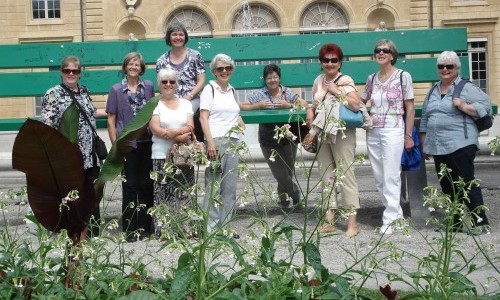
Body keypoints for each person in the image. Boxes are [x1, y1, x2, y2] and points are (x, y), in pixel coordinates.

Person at [420, 50, 491, 235]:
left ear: (456, 68)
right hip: (438, 146)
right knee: (447, 186)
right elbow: (426, 117)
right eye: (441, 66)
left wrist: (463, 106)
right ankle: (455, 223)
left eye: (449, 66)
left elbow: (485, 109)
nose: (445, 69)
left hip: (461, 143)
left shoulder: (467, 88)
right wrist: (425, 143)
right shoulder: (433, 89)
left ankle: (480, 222)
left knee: (466, 183)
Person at [41, 55, 107, 241]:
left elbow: (91, 112)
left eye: (75, 71)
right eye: (67, 71)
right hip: (69, 155)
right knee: (70, 195)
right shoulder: (52, 94)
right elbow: (47, 126)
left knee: (91, 194)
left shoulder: (83, 91)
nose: (71, 74)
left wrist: (113, 109)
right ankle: (70, 232)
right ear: (61, 73)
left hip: (90, 154)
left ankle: (91, 231)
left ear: (79, 73)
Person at [304, 43, 362, 237]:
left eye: (334, 60)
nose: (330, 64)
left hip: (342, 130)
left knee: (346, 173)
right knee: (326, 175)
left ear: (340, 62)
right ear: (321, 63)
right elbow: (315, 103)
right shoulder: (318, 80)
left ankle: (352, 222)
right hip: (324, 131)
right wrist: (310, 110)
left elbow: (355, 105)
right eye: (326, 60)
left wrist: (337, 91)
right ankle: (329, 219)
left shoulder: (345, 79)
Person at [360, 39, 415, 235]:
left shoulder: (403, 76)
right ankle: (395, 214)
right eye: (377, 50)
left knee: (391, 174)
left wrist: (408, 135)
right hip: (373, 130)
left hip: (394, 129)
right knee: (379, 176)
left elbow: (409, 108)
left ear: (392, 55)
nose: (381, 53)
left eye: (385, 50)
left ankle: (390, 219)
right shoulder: (371, 79)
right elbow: (361, 101)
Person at [240, 64, 307, 209]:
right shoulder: (260, 94)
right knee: (280, 174)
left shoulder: (286, 92)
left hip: (288, 137)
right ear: (265, 80)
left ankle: (283, 201)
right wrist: (257, 106)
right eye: (269, 78)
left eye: (275, 77)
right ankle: (296, 195)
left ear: (279, 78)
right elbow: (242, 106)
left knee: (288, 171)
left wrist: (288, 105)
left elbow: (304, 104)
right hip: (267, 138)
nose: (272, 80)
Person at [106, 52, 155, 242]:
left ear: (141, 68)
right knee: (129, 186)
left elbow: (151, 113)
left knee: (145, 184)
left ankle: (145, 226)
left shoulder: (149, 86)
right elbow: (111, 118)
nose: (134, 67)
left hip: (146, 142)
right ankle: (129, 228)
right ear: (125, 67)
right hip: (127, 144)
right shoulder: (116, 89)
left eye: (137, 64)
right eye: (130, 64)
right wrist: (115, 145)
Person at [199, 53, 245, 238]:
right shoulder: (209, 89)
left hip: (233, 141)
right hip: (216, 140)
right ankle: (210, 228)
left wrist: (240, 121)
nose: (224, 71)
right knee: (213, 185)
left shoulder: (232, 90)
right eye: (220, 68)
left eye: (228, 68)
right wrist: (209, 142)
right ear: (214, 71)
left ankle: (225, 226)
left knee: (230, 186)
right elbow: (203, 117)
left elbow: (234, 111)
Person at [148, 68, 195, 238]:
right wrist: (177, 134)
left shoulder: (186, 104)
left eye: (172, 81)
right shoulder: (154, 103)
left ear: (177, 84)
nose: (168, 84)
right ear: (159, 84)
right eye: (164, 81)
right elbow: (154, 129)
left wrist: (168, 132)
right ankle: (166, 232)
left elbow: (191, 127)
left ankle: (186, 229)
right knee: (163, 195)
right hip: (161, 154)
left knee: (185, 193)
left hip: (183, 156)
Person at [156, 21, 206, 141]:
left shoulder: (195, 55)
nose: (178, 37)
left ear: (185, 37)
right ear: (169, 37)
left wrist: (189, 96)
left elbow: (201, 80)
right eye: (174, 34)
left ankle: (194, 143)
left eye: (181, 34)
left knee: (187, 112)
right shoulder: (162, 60)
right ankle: (177, 144)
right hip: (170, 99)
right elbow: (161, 84)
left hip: (192, 98)